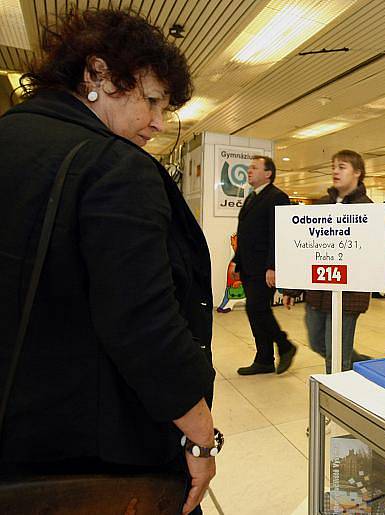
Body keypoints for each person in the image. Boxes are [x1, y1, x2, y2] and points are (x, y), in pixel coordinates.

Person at [0, 9, 219, 514]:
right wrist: (202, 437)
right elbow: (143, 325)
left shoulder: (12, 138)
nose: (160, 123)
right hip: (92, 447)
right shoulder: (114, 167)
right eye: (152, 100)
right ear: (97, 74)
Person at [284, 150, 373, 373]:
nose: (335, 171)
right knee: (317, 342)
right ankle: (359, 363)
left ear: (357, 173)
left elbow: (371, 256)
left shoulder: (368, 209)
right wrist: (292, 289)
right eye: (333, 166)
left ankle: (336, 397)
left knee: (336, 357)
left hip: (349, 295)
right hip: (318, 291)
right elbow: (304, 250)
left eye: (342, 167)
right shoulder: (320, 206)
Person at [235, 156, 297, 376]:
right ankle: (264, 359)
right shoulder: (252, 197)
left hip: (264, 268)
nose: (249, 170)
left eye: (254, 167)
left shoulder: (277, 197)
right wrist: (237, 259)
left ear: (268, 173)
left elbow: (278, 234)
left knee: (257, 308)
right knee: (254, 312)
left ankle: (285, 345)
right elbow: (245, 232)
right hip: (248, 266)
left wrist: (273, 266)